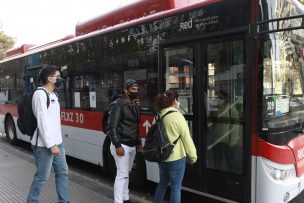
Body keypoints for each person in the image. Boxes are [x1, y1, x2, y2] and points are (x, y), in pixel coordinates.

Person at [27, 65, 69, 203]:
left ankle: (64, 201)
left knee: (62, 173)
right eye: (58, 76)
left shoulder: (54, 94)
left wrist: (57, 143)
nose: (60, 79)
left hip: (58, 143)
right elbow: (42, 122)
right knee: (42, 177)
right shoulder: (40, 94)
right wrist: (51, 145)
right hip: (44, 145)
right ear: (50, 78)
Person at [153, 90, 197, 203]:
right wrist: (193, 157)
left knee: (162, 184)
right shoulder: (177, 116)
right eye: (177, 100)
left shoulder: (158, 116)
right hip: (176, 159)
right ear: (174, 101)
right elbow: (187, 139)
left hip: (161, 157)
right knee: (175, 188)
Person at [107, 79, 144, 203]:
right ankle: (118, 201)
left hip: (132, 144)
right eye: (133, 89)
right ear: (125, 90)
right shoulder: (117, 104)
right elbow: (112, 127)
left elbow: (135, 126)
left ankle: (125, 198)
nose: (135, 91)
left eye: (137, 89)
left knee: (126, 173)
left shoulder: (134, 105)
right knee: (122, 175)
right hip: (122, 144)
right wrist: (117, 145)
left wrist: (138, 142)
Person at [211, 90, 240, 173]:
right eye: (217, 98)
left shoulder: (231, 109)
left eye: (220, 98)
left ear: (226, 98)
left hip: (227, 142)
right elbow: (212, 124)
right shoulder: (215, 109)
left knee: (230, 164)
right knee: (217, 164)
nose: (218, 100)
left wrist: (232, 142)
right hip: (216, 141)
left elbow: (235, 126)